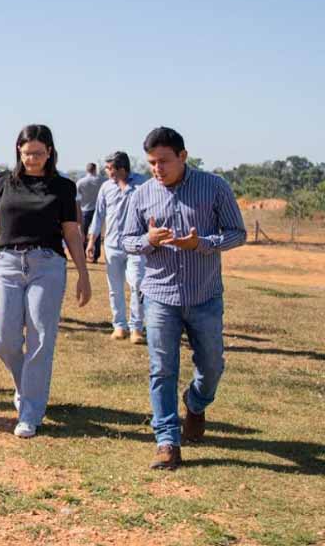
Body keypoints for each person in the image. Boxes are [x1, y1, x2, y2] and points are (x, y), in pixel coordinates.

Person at [121, 127, 246, 470]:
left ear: (183, 156)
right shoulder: (142, 194)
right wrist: (148, 240)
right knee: (162, 369)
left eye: (163, 161)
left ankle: (195, 402)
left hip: (204, 295)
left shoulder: (214, 187)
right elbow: (126, 240)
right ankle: (166, 441)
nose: (157, 169)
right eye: (151, 163)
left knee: (212, 365)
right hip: (160, 295)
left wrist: (202, 244)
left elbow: (237, 234)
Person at [0, 125, 91, 439]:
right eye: (27, 152)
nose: (33, 159)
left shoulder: (62, 186)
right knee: (4, 339)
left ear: (50, 153)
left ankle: (29, 412)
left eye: (39, 153)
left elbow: (71, 232)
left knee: (41, 339)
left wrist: (83, 274)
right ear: (18, 149)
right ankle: (28, 387)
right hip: (7, 264)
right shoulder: (3, 182)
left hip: (47, 264)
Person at [88, 152, 147, 345]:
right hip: (112, 245)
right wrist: (91, 241)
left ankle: (136, 327)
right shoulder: (106, 188)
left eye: (110, 168)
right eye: (106, 168)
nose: (107, 172)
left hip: (136, 245)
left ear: (122, 169)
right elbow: (99, 215)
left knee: (137, 285)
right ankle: (119, 325)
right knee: (115, 288)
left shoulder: (142, 184)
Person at [76, 163, 104, 262]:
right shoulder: (101, 180)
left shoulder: (80, 182)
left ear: (87, 170)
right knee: (96, 232)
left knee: (83, 233)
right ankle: (95, 256)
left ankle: (83, 254)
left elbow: (76, 197)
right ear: (95, 169)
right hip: (97, 209)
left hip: (85, 210)